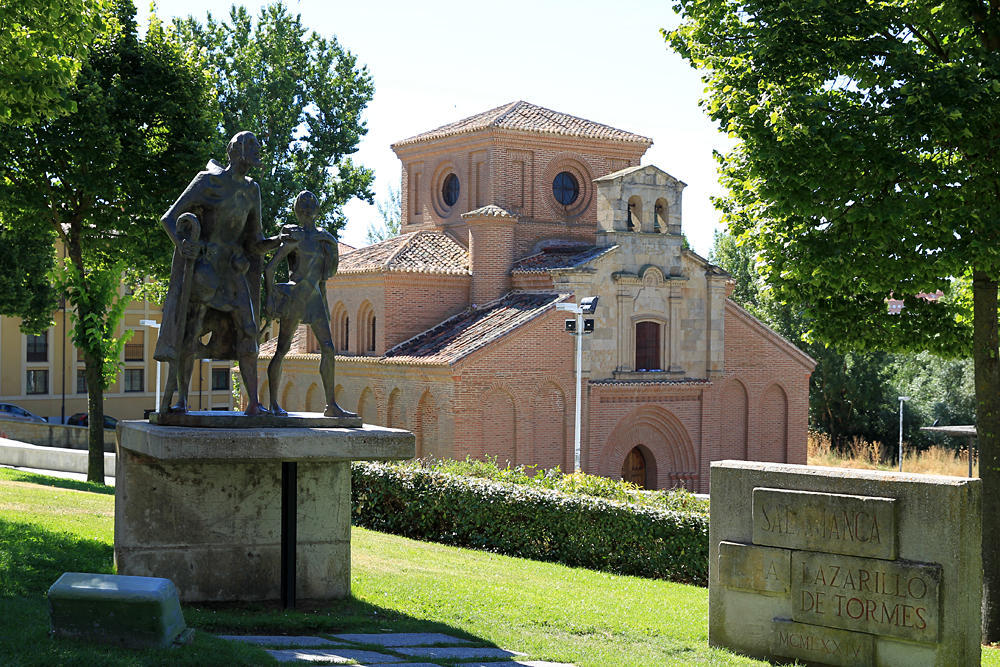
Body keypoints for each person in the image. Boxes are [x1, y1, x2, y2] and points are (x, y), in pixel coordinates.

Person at [154, 131, 278, 415]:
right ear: (236, 150)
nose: (258, 149)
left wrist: (279, 241)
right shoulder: (207, 181)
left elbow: (254, 242)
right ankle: (182, 402)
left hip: (233, 270)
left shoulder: (252, 190)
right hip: (205, 268)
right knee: (192, 331)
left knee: (249, 330)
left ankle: (254, 404)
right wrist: (182, 245)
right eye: (252, 144)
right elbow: (169, 219)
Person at [264, 190, 357, 418]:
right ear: (297, 209)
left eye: (311, 202)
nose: (307, 206)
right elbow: (270, 268)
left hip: (315, 299)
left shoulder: (323, 238)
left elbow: (326, 275)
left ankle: (331, 405)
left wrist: (332, 243)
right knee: (282, 349)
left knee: (328, 348)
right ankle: (273, 404)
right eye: (303, 203)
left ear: (317, 209)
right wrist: (270, 298)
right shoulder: (294, 236)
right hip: (295, 297)